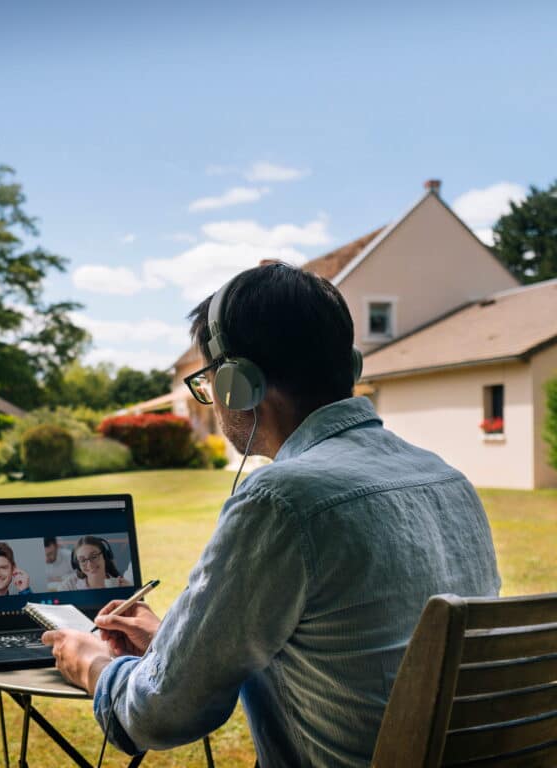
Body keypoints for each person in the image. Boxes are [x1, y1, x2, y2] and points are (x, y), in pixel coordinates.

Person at [42, 263, 500, 767]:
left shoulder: (282, 501)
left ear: (239, 384)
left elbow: (157, 716)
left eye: (208, 381)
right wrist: (177, 639)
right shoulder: (449, 481)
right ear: (348, 366)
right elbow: (347, 651)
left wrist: (90, 663)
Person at [56, 535, 131, 590]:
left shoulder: (121, 585)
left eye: (94, 557)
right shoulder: (69, 586)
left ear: (105, 556)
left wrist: (129, 592)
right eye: (83, 560)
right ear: (77, 564)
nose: (90, 565)